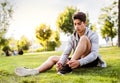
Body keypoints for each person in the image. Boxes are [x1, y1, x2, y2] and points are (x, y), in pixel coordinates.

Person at [15, 12, 106, 76]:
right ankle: (35, 71)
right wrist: (61, 62)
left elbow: (94, 54)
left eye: (79, 24)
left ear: (84, 23)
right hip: (74, 61)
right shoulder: (72, 37)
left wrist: (79, 62)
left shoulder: (93, 35)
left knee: (84, 38)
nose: (76, 27)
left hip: (89, 61)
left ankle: (67, 68)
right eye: (75, 24)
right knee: (53, 58)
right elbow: (66, 53)